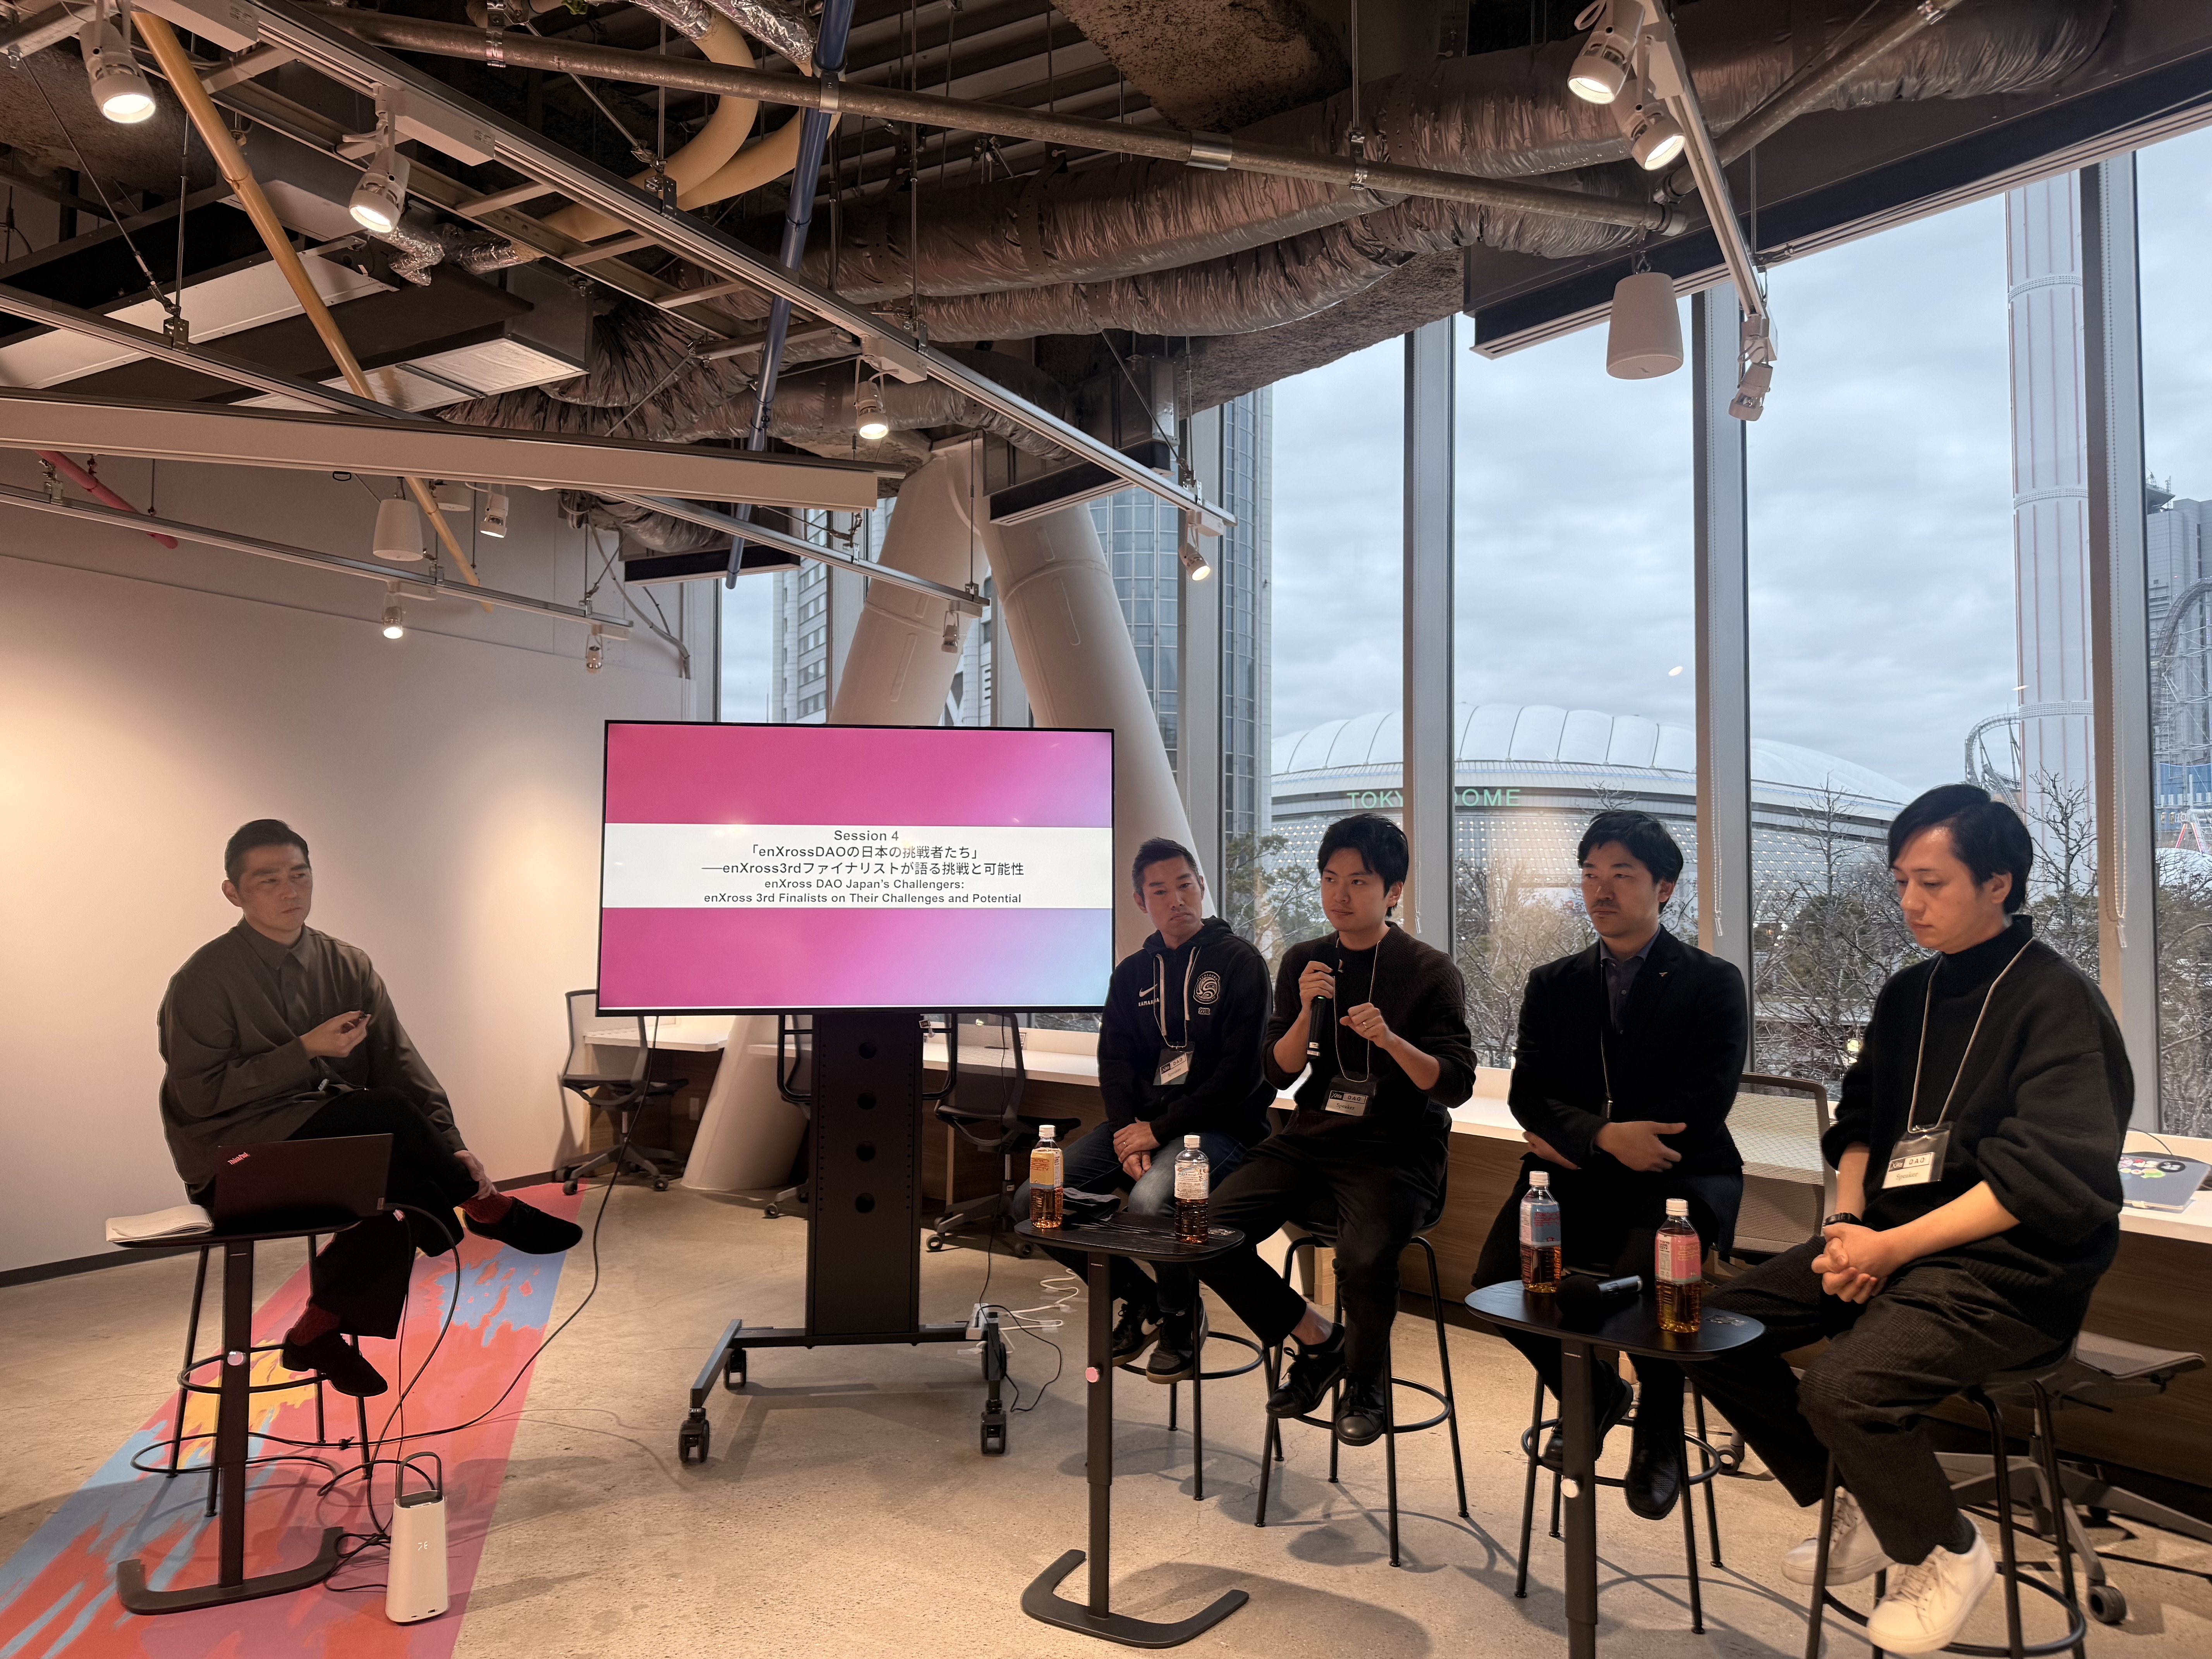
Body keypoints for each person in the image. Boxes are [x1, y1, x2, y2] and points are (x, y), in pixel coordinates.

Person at [1642, 784, 2130, 1655]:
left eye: (1932, 883)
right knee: (1698, 1327)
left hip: (2012, 1271)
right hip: (1889, 1238)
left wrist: (1889, 1247)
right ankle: (1854, 1496)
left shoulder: (2059, 1003)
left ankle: (1943, 1550)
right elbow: (1862, 1124)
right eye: (1902, 880)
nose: (1909, 903)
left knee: (1845, 1389)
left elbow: (2041, 1181)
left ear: (1999, 884)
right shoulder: (1910, 994)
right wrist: (1847, 1228)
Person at [158, 819, 582, 1398]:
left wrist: (449, 1141)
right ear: (234, 892)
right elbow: (198, 1096)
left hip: (327, 1145)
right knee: (380, 1117)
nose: (289, 892)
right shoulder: (204, 980)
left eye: (300, 875)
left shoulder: (348, 964)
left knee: (401, 1190)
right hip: (234, 1164)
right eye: (268, 880)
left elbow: (402, 1065)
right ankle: (483, 1207)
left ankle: (315, 1333)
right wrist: (304, 1051)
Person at [1474, 809, 1747, 1519]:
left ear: (1665, 888)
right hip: (1579, 1173)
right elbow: (1531, 1094)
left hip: (1679, 1176)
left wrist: (1585, 1137)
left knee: (1660, 1282)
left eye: (1621, 875)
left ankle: (1660, 1428)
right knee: (1496, 1282)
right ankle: (1593, 1394)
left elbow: (1702, 1106)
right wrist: (1603, 1137)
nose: (1601, 891)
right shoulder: (1552, 983)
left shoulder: (1713, 983)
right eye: (1591, 875)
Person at [1192, 813, 1476, 1446]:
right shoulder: (1304, 960)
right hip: (1312, 1135)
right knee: (1205, 1232)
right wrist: (1308, 1010)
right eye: (1330, 879)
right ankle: (1320, 1342)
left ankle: (1367, 1385)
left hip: (1397, 1143)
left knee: (1365, 1256)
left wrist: (1391, 1039)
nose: (1340, 896)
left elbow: (1455, 1083)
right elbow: (1277, 1071)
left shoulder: (1430, 970)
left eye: (1359, 881)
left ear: (1394, 891)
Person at [1017, 837, 1273, 1381]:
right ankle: (1144, 1298)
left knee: (1155, 1199)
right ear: (1141, 902)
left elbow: (1240, 1076)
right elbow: (1113, 1060)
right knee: (1037, 1199)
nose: (1176, 898)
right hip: (1142, 1126)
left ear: (1202, 887)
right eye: (1160, 890)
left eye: (1185, 884)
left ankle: (1181, 1319)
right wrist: (1127, 1133)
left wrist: (1154, 1131)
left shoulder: (1240, 962)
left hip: (1220, 1127)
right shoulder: (1133, 973)